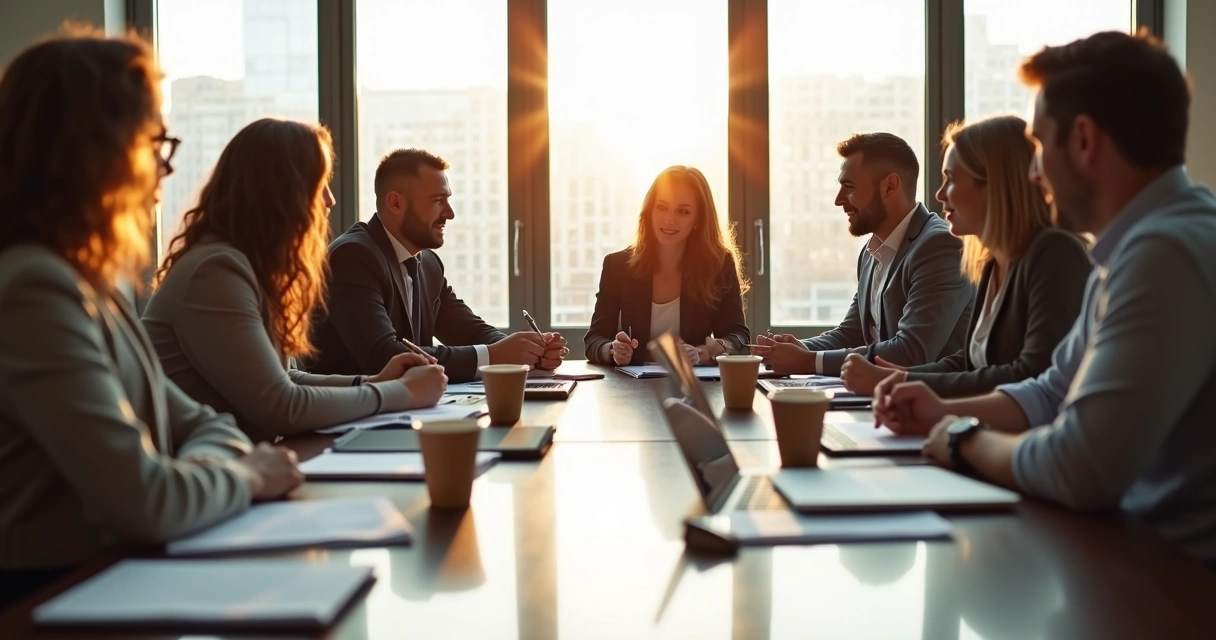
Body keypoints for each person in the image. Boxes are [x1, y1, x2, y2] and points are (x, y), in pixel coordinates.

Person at [874, 30, 1216, 565]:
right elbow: (1052, 390)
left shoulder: (1165, 254)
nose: (1034, 173)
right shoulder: (1133, 249)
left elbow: (1079, 468)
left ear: (1083, 141)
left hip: (1169, 584)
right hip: (1127, 560)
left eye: (1037, 146)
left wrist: (961, 437)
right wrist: (939, 407)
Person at [0, 30, 301, 608]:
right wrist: (248, 476)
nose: (164, 169)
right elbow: (145, 500)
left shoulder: (90, 282)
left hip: (116, 580)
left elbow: (205, 423)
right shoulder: (32, 287)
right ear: (95, 151)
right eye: (155, 142)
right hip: (51, 599)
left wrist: (194, 468)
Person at [143, 119, 448, 442]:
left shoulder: (244, 265)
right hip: (206, 476)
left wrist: (373, 382)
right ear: (281, 193)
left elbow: (286, 378)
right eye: (321, 185)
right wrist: (400, 394)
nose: (330, 200)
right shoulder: (214, 271)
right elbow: (282, 405)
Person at [839, 116, 1091, 397]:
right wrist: (898, 377)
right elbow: (969, 362)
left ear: (996, 185)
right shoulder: (992, 263)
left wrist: (902, 382)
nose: (940, 194)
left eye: (951, 179)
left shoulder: (1054, 254)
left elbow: (1031, 373)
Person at [307, 148, 568, 383]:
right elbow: (384, 356)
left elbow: (468, 330)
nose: (450, 213)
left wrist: (527, 350)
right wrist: (496, 355)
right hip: (353, 424)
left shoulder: (427, 263)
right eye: (437, 201)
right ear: (395, 203)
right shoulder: (353, 256)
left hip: (406, 413)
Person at [750, 133, 974, 376]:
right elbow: (852, 332)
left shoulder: (940, 246)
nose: (838, 200)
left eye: (849, 188)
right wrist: (799, 349)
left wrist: (808, 361)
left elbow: (911, 352)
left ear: (890, 186)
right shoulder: (871, 252)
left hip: (934, 405)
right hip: (883, 399)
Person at [585, 166, 749, 365]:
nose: (669, 220)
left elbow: (739, 338)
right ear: (650, 211)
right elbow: (594, 341)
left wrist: (703, 352)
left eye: (683, 211)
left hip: (695, 387)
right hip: (632, 389)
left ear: (698, 219)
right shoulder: (617, 265)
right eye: (662, 207)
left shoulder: (719, 265)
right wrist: (612, 350)